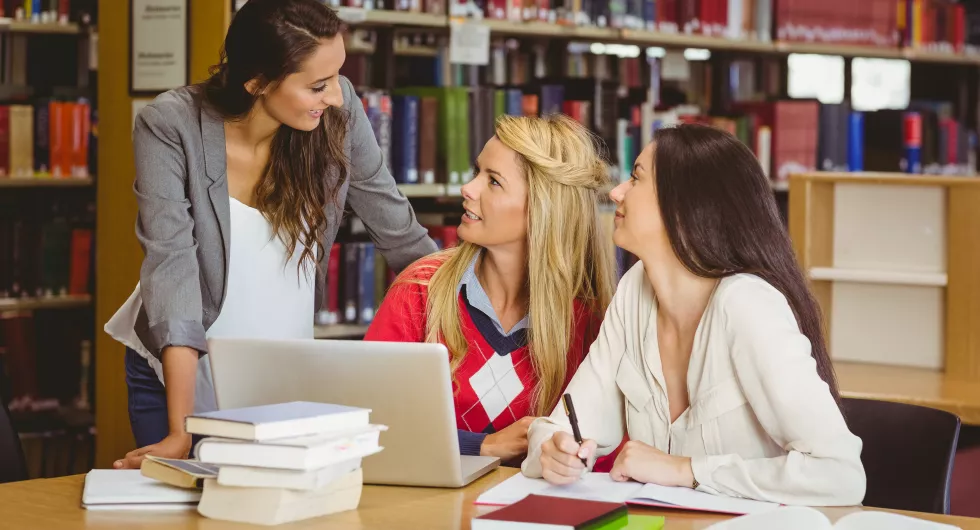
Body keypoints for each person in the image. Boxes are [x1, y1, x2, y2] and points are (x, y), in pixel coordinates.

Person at [104, 0, 437, 469]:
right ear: (257, 82)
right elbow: (171, 266)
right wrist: (181, 430)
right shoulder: (171, 124)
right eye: (318, 86)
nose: (338, 97)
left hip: (279, 373)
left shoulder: (335, 117)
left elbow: (399, 232)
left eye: (338, 77)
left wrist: (476, 303)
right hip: (176, 376)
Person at [523, 124, 867, 506]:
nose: (617, 192)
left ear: (684, 204)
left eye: (636, 178)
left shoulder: (747, 305)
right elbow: (563, 425)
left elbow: (840, 474)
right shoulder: (634, 291)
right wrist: (552, 452)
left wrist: (684, 470)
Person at [364, 114, 617, 467]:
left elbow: (605, 455)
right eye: (476, 171)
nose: (468, 188)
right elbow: (367, 424)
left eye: (493, 181)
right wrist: (481, 445)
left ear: (541, 210)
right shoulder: (420, 290)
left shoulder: (592, 323)